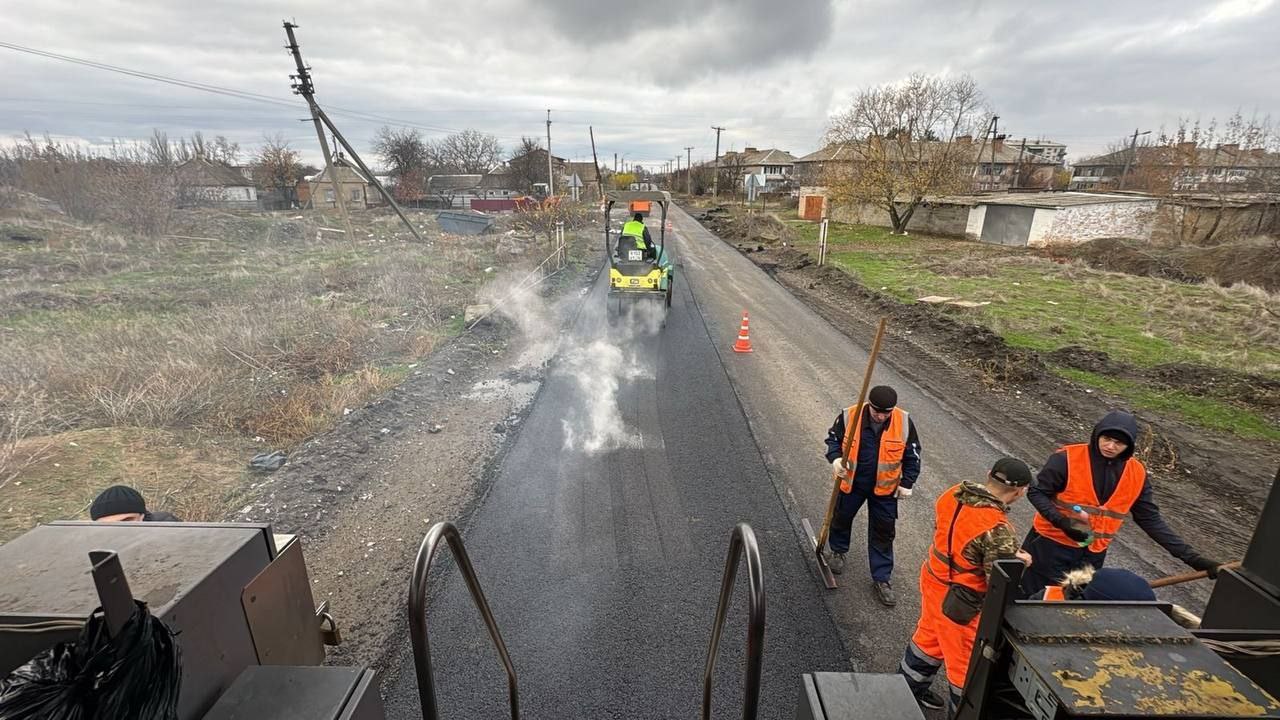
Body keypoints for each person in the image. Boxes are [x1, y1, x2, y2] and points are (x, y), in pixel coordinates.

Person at [1019, 410, 1222, 596]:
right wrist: (1062, 522)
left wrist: (1193, 559)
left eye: (1118, 443)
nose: (1110, 446)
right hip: (1048, 547)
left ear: (1129, 446)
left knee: (1072, 607)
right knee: (1029, 600)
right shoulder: (1066, 459)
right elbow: (1036, 492)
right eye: (1106, 439)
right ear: (1097, 434)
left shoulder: (1137, 474)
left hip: (1092, 556)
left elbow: (1151, 520)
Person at [898, 457, 1033, 714]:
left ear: (989, 475)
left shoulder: (953, 493)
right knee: (965, 667)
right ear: (1020, 491)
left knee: (927, 641)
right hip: (961, 601)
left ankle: (903, 693)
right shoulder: (997, 528)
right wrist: (1021, 563)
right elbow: (998, 579)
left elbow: (951, 535)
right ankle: (962, 711)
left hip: (933, 580)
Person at [824, 385, 922, 606]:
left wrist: (908, 482)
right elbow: (832, 439)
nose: (880, 416)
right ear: (869, 405)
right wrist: (836, 459)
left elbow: (913, 453)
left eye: (885, 412)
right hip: (853, 484)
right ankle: (838, 551)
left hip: (885, 491)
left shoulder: (904, 422)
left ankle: (882, 578)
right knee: (841, 518)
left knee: (883, 532)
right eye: (876, 411)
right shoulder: (850, 415)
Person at [89, 485, 181, 522]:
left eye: (127, 521)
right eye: (106, 526)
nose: (117, 529)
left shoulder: (166, 528)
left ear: (142, 516)